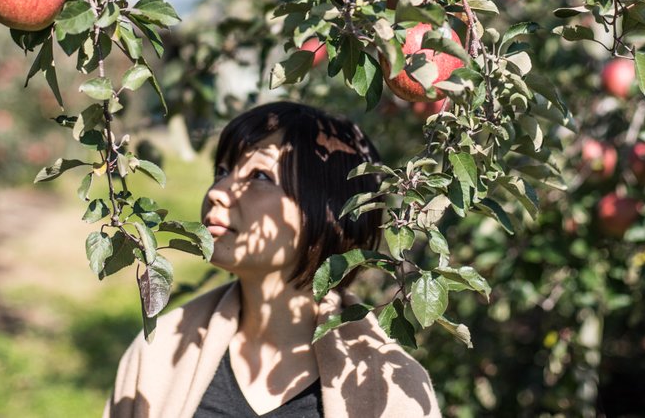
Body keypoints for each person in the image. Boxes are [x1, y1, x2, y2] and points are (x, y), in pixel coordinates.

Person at [104, 101, 441, 417]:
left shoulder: (393, 391)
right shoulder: (160, 351)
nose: (218, 192)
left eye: (259, 177)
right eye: (221, 171)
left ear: (330, 212)